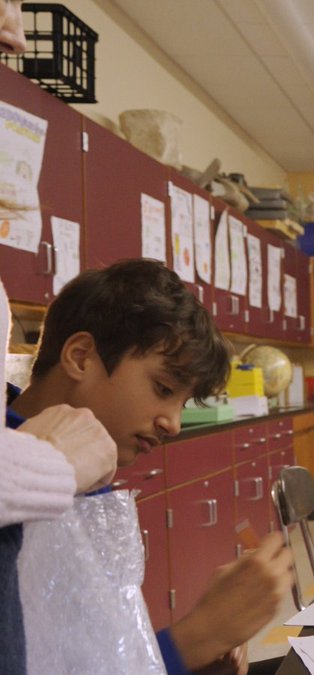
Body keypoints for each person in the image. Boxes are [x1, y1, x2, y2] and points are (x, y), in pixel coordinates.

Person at [8, 259, 293, 675]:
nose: (173, 424)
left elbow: (95, 652)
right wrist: (198, 636)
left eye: (182, 402)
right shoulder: (17, 482)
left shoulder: (87, 476)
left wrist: (198, 657)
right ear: (81, 356)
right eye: (162, 388)